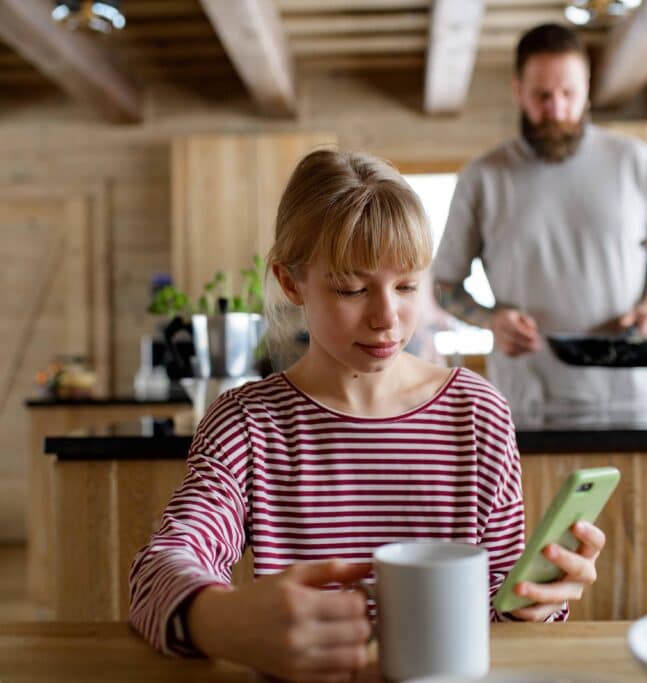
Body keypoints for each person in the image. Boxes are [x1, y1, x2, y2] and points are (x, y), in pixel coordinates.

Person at [128, 149, 607, 681]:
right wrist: (216, 619)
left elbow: (505, 608)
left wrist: (536, 600)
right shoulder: (247, 424)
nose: (387, 318)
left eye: (406, 286)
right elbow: (160, 569)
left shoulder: (477, 414)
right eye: (351, 288)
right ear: (292, 283)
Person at [433, 24, 647, 425]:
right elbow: (445, 285)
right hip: (526, 405)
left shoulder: (633, 162)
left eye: (568, 94)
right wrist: (491, 320)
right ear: (518, 90)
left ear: (586, 88)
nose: (556, 109)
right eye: (542, 96)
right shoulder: (482, 177)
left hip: (628, 400)